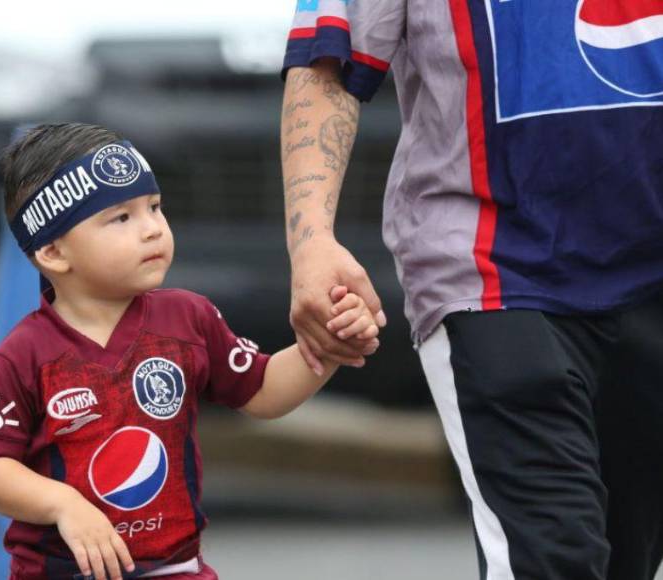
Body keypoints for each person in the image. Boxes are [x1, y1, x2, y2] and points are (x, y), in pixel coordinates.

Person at [279, 1, 663, 579]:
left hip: (649, 269)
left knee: (621, 558)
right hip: (490, 272)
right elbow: (325, 66)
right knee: (553, 560)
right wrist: (311, 240)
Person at [0, 122, 379, 580]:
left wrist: (328, 347)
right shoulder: (25, 354)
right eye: (121, 217)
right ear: (55, 252)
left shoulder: (187, 319)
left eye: (155, 208)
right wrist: (64, 506)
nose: (152, 230)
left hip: (176, 569)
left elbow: (263, 390)